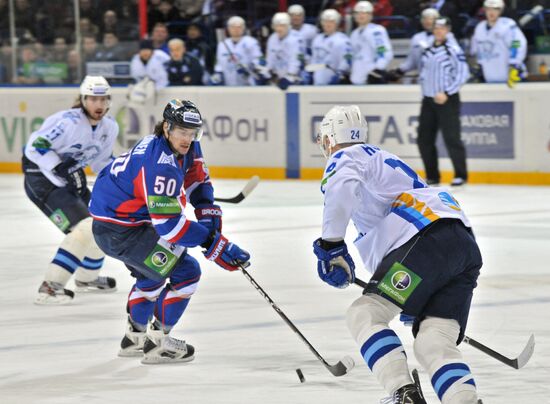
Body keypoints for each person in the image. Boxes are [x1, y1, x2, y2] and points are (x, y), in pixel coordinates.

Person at [313, 104, 482, 404]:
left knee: (365, 313)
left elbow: (340, 188)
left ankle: (403, 395)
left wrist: (331, 245)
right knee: (433, 341)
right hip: (462, 245)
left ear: (328, 138)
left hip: (424, 239)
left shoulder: (346, 155)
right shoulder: (382, 161)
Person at [89, 99, 250, 364]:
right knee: (187, 272)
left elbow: (196, 177)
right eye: (182, 132)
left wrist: (207, 210)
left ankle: (134, 339)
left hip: (127, 224)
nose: (188, 138)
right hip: (121, 231)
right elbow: (170, 226)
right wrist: (214, 243)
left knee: (153, 276)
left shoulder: (182, 145)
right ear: (167, 127)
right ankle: (158, 345)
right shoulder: (159, 164)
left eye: (193, 132)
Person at [22, 76, 118, 305]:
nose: (99, 104)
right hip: (41, 179)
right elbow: (35, 146)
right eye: (94, 98)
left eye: (103, 99)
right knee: (84, 228)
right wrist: (58, 166)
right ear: (83, 99)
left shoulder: (109, 127)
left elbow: (101, 163)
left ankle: (87, 279)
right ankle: (50, 287)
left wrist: (127, 178)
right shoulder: (68, 122)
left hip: (70, 179)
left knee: (102, 222)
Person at [417, 17, 470, 187]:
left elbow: (463, 73)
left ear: (448, 30)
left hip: (447, 99)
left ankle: (460, 174)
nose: (439, 31)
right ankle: (432, 175)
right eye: (436, 28)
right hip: (428, 99)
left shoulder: (452, 50)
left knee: (452, 138)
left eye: (442, 28)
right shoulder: (428, 50)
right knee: (424, 138)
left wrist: (447, 92)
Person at [387, 8, 459, 82]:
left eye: (431, 19)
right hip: (423, 80)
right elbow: (411, 61)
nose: (427, 21)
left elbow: (455, 56)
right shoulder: (417, 38)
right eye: (425, 18)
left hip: (442, 80)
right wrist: (399, 71)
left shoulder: (447, 36)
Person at [470, 0, 527, 87]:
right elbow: (475, 50)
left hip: (510, 77)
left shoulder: (507, 25)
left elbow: (517, 43)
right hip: (490, 77)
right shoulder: (479, 28)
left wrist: (514, 64)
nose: (491, 12)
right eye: (488, 9)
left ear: (500, 11)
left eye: (495, 9)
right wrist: (478, 67)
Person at [212, 16, 268, 86]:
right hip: (228, 84)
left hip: (248, 84)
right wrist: (218, 75)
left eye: (239, 27)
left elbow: (260, 61)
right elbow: (219, 64)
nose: (236, 29)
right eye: (233, 27)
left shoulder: (251, 42)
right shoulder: (222, 44)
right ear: (228, 29)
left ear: (243, 28)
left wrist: (248, 68)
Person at [349, 1, 393, 85]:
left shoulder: (376, 30)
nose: (361, 15)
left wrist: (378, 69)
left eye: (364, 13)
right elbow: (353, 55)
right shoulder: (354, 34)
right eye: (358, 13)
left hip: (372, 78)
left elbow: (384, 51)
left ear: (370, 15)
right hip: (356, 79)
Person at [310, 9, 352, 85]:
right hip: (317, 80)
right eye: (325, 21)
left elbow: (347, 59)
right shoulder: (317, 39)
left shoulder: (343, 39)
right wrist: (309, 71)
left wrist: (340, 74)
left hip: (334, 81)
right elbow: (314, 59)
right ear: (322, 23)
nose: (328, 24)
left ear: (336, 23)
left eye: (331, 21)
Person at [266, 12, 305, 90]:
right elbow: (270, 58)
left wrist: (289, 77)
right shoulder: (272, 38)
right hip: (277, 79)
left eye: (282, 26)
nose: (279, 28)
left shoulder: (296, 39)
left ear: (288, 26)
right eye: (277, 25)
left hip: (294, 80)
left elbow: (296, 61)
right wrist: (266, 73)